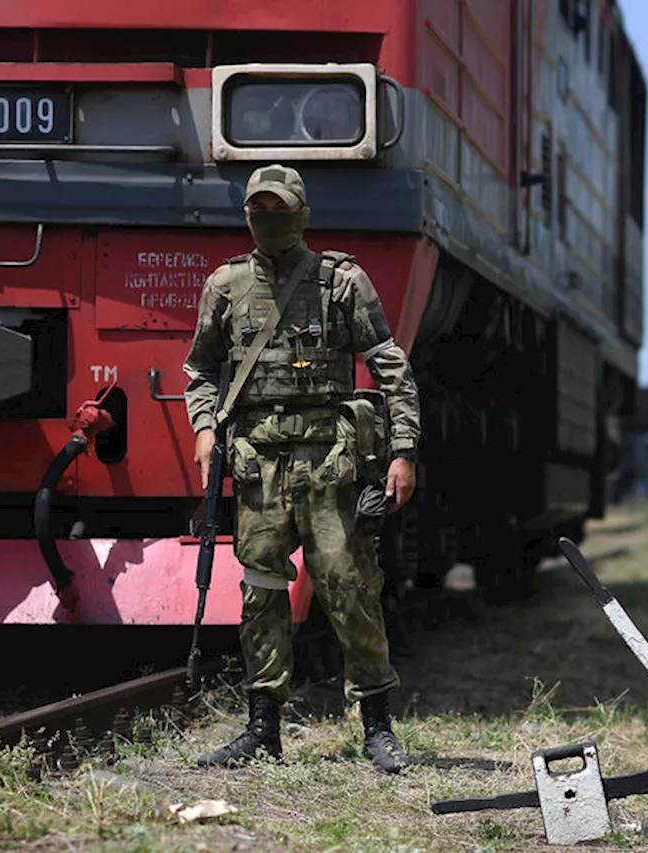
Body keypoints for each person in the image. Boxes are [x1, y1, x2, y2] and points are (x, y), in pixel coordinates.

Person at [181, 163, 421, 773]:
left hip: (329, 464)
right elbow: (200, 368)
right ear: (247, 217)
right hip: (258, 465)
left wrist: (403, 450)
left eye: (280, 210)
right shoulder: (227, 286)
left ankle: (377, 727)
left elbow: (388, 365)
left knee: (348, 587)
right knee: (261, 593)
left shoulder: (342, 282)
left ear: (303, 215)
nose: (270, 221)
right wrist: (206, 428)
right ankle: (262, 728)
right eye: (259, 211)